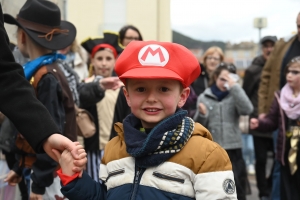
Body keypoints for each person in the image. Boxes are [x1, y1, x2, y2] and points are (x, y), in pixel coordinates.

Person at [54, 41, 237, 200]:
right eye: (141, 89)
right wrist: (74, 178)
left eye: (163, 89)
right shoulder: (114, 148)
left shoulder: (208, 155)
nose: (151, 98)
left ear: (182, 96)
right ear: (127, 95)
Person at [3, 0, 81, 198]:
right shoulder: (43, 71)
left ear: (21, 36)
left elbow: (53, 128)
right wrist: (20, 167)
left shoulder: (45, 77)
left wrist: (38, 184)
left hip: (47, 176)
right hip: (38, 170)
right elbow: (28, 133)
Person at [194, 63, 253, 200]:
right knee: (216, 188)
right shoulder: (204, 97)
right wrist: (202, 115)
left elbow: (247, 110)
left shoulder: (235, 95)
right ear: (215, 77)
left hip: (234, 147)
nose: (224, 83)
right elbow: (199, 126)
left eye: (228, 79)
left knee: (237, 186)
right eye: (222, 79)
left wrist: (235, 87)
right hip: (213, 149)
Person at [80, 32, 130, 181]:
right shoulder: (85, 86)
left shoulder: (122, 88)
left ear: (115, 61)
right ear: (92, 60)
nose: (103, 63)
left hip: (117, 149)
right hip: (92, 150)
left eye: (108, 59)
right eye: (99, 58)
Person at [250, 56, 300, 200]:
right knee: (288, 191)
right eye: (288, 71)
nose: (289, 75)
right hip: (286, 152)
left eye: (295, 72)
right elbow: (272, 122)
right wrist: (259, 123)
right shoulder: (281, 96)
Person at [243, 35, 277, 200]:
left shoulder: (280, 68)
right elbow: (246, 95)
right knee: (261, 160)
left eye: (272, 46)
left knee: (279, 160)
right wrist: (251, 116)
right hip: (259, 122)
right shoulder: (253, 70)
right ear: (262, 48)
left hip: (277, 122)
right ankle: (263, 193)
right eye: (266, 46)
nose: (269, 49)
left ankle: (270, 187)